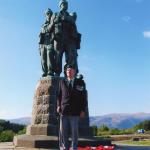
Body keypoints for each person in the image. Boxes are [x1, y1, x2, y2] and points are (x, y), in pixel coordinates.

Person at [57, 65, 87, 150]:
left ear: (74, 71)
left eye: (70, 70)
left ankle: (74, 148)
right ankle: (64, 148)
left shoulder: (80, 82)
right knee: (63, 132)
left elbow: (83, 97)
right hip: (64, 111)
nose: (69, 72)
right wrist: (58, 105)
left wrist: (82, 110)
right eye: (67, 71)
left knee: (74, 132)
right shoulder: (62, 82)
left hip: (75, 111)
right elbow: (59, 96)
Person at [51, 0, 81, 76]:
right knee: (58, 57)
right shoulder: (56, 14)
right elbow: (51, 25)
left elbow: (74, 25)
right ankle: (57, 73)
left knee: (70, 57)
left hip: (68, 39)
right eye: (63, 4)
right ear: (60, 5)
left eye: (66, 4)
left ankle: (69, 74)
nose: (65, 5)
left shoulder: (70, 16)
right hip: (58, 38)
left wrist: (66, 19)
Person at [39, 8, 55, 77]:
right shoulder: (43, 25)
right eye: (47, 14)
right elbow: (42, 33)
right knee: (43, 59)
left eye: (50, 14)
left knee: (49, 56)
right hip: (43, 44)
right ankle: (45, 71)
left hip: (50, 43)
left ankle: (50, 71)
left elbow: (50, 30)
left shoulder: (54, 24)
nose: (49, 15)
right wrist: (39, 47)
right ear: (45, 15)